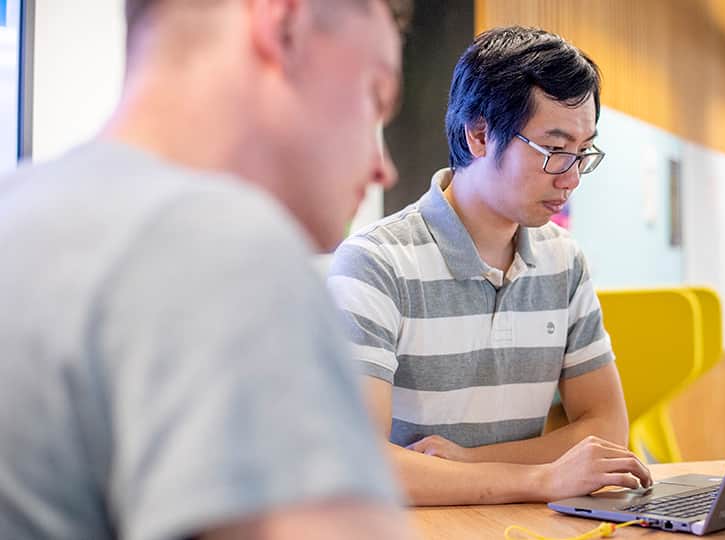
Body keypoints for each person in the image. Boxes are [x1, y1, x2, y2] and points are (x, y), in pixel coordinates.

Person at [0, 0, 415, 538]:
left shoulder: (18, 212)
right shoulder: (223, 249)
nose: (385, 167)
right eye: (373, 96)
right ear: (283, 25)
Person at [328, 25, 652, 505]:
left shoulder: (564, 261)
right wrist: (540, 478)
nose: (572, 178)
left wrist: (471, 462)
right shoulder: (375, 263)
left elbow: (606, 429)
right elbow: (360, 462)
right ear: (479, 135)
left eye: (582, 153)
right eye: (555, 150)